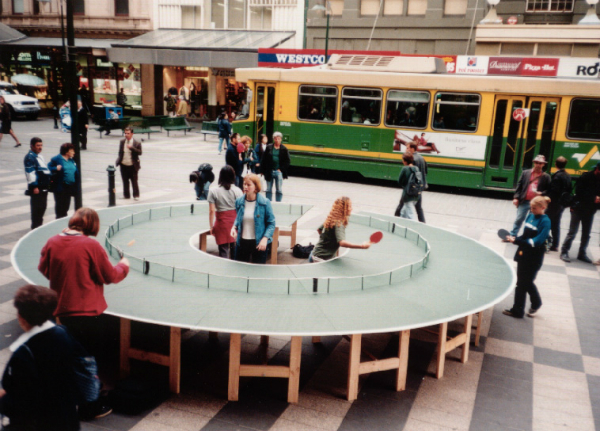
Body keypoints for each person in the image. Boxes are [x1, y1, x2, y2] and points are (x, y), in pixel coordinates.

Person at [38, 208, 129, 418]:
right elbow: (110, 276)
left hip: (61, 309)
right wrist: (123, 266)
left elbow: (44, 269)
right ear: (92, 226)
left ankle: (73, 395)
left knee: (73, 355)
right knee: (88, 360)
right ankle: (91, 407)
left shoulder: (52, 241)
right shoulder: (91, 245)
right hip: (88, 313)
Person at [0, 285, 80, 430]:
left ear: (21, 317)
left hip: (37, 423)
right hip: (66, 418)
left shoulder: (23, 352)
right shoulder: (63, 333)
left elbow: (18, 398)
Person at [503, 196, 551, 318]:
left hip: (534, 258)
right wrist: (516, 239)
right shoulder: (530, 216)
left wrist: (518, 241)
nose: (532, 210)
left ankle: (531, 304)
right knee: (522, 282)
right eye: (531, 208)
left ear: (543, 208)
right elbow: (525, 235)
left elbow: (538, 241)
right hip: (523, 254)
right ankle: (520, 309)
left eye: (534, 208)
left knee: (525, 282)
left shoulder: (545, 221)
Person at [560, 162, 600, 263]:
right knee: (572, 232)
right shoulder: (586, 176)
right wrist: (593, 198)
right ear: (597, 169)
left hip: (590, 210)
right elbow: (579, 191)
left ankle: (582, 253)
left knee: (586, 233)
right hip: (578, 208)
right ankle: (564, 251)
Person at [310, 197, 371, 262]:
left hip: (315, 253)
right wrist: (362, 246)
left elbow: (319, 230)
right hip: (321, 259)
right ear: (344, 209)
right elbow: (342, 243)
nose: (351, 208)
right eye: (350, 206)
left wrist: (327, 241)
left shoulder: (331, 218)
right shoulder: (339, 223)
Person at [231, 174, 276, 264]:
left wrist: (265, 238)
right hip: (242, 243)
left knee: (257, 273)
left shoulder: (265, 202)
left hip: (258, 243)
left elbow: (271, 223)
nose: (245, 187)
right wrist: (234, 227)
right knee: (240, 271)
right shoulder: (239, 201)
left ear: (256, 187)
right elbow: (239, 217)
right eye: (244, 184)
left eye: (249, 185)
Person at [506, 154, 551, 240]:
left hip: (536, 203)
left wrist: (541, 193)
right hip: (524, 201)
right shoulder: (526, 173)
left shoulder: (546, 177)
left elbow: (549, 190)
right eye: (537, 162)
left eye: (540, 163)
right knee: (519, 219)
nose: (538, 164)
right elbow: (519, 186)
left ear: (543, 164)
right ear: (534, 163)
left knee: (532, 221)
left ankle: (527, 237)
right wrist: (516, 198)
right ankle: (513, 235)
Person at [208, 166, 243, 259]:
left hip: (221, 223)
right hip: (234, 223)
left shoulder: (213, 190)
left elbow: (212, 211)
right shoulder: (238, 190)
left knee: (223, 250)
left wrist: (211, 226)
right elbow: (241, 209)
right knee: (234, 248)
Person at [395, 141, 427, 222]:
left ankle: (396, 219)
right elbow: (426, 171)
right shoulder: (422, 158)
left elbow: (407, 175)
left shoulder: (412, 159)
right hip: (419, 186)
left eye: (407, 148)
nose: (406, 150)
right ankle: (422, 223)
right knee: (418, 207)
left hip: (410, 188)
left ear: (412, 149)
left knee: (402, 205)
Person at [546, 156, 572, 251]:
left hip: (554, 204)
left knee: (546, 221)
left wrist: (547, 198)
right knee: (556, 224)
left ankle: (545, 242)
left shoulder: (557, 176)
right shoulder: (567, 175)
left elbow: (554, 191)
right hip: (561, 204)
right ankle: (555, 244)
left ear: (555, 164)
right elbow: (569, 190)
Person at [24, 137, 51, 230]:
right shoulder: (30, 157)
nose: (40, 147)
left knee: (42, 207)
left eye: (41, 145)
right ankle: (35, 227)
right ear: (32, 146)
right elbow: (30, 172)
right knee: (37, 209)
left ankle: (38, 226)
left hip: (43, 187)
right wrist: (34, 186)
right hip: (38, 187)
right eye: (38, 145)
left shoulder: (39, 156)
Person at [48, 143, 80, 219]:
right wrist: (55, 168)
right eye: (72, 151)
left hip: (69, 187)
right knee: (60, 207)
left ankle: (63, 220)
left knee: (66, 206)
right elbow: (48, 167)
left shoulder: (71, 160)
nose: (74, 152)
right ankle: (59, 221)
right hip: (61, 187)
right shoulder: (56, 159)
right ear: (66, 152)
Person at [261, 131, 290, 202]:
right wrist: (262, 170)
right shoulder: (269, 147)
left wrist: (281, 169)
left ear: (281, 139)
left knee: (279, 190)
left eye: (279, 139)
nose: (277, 140)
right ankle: (268, 203)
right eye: (276, 138)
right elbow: (264, 159)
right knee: (268, 189)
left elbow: (287, 161)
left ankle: (278, 203)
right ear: (273, 139)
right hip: (269, 170)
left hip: (278, 171)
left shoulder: (284, 149)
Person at [115, 126, 142, 200]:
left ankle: (136, 195)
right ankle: (126, 195)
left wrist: (132, 148)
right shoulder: (122, 142)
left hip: (132, 165)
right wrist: (119, 160)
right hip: (123, 164)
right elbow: (120, 152)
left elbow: (140, 153)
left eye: (128, 133)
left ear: (132, 134)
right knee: (125, 181)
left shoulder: (137, 143)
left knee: (134, 181)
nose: (126, 135)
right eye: (125, 133)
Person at [397, 153, 420, 220]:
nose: (402, 162)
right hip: (415, 193)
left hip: (407, 194)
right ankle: (400, 222)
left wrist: (404, 186)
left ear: (405, 161)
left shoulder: (405, 169)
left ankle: (413, 227)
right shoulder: (416, 168)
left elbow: (400, 181)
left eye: (403, 160)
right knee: (403, 212)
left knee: (410, 215)